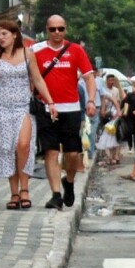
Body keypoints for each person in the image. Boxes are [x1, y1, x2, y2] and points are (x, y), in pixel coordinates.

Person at [0, 19, 55, 209]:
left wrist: (50, 101)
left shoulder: (27, 55)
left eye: (4, 34)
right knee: (7, 149)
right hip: (2, 108)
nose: (1, 38)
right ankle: (14, 192)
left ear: (14, 35)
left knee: (23, 145)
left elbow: (38, 80)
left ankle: (25, 188)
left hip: (24, 106)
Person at [32, 15, 97, 210]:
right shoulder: (35, 50)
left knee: (72, 154)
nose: (57, 33)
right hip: (45, 108)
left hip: (71, 108)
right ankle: (55, 195)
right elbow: (32, 77)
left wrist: (91, 100)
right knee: (50, 152)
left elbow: (88, 77)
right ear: (47, 30)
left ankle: (68, 181)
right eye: (53, 29)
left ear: (65, 29)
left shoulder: (76, 50)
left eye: (61, 29)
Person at [94, 73, 124, 167]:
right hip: (105, 116)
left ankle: (115, 156)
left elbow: (117, 101)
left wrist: (117, 112)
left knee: (115, 135)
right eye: (110, 80)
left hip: (114, 115)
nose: (111, 82)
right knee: (105, 136)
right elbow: (103, 102)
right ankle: (109, 157)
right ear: (106, 81)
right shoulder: (103, 90)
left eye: (113, 80)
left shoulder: (115, 90)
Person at [121, 77, 135, 152]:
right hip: (129, 116)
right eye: (133, 86)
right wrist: (125, 112)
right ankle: (130, 146)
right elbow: (126, 103)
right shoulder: (130, 95)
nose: (134, 88)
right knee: (129, 131)